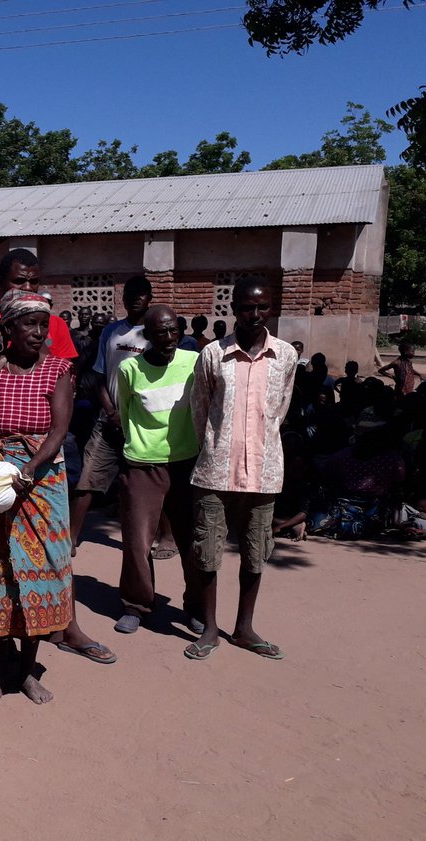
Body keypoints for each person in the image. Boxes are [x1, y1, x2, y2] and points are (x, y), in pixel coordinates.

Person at [0, 293, 106, 703]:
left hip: (41, 481)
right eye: (29, 324)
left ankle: (26, 671)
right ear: (8, 328)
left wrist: (28, 468)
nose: (39, 332)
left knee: (40, 569)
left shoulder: (58, 370)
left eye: (43, 325)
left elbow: (59, 430)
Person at [184, 277, 298, 661]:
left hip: (264, 472)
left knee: (256, 551)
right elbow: (199, 409)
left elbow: (279, 410)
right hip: (215, 471)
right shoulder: (212, 355)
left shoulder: (285, 356)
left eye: (262, 307)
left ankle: (244, 628)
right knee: (207, 552)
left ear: (272, 309)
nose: (255, 314)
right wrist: (216, 446)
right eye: (247, 307)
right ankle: (210, 628)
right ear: (234, 309)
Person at [111, 306, 203, 636]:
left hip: (185, 463)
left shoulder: (193, 363)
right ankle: (137, 604)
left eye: (173, 330)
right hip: (142, 465)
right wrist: (140, 447)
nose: (168, 338)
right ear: (147, 336)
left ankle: (197, 606)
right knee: (137, 541)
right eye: (160, 332)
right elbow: (125, 412)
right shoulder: (129, 368)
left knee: (192, 540)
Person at [68, 275, 153, 547]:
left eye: (141, 294)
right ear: (123, 299)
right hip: (109, 421)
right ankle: (71, 538)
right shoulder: (111, 332)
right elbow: (99, 376)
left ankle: (164, 537)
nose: (135, 299)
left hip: (144, 425)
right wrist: (110, 409)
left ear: (149, 298)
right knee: (88, 478)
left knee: (149, 483)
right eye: (130, 294)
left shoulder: (155, 333)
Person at [0, 248, 78, 361]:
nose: (28, 288)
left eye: (33, 281)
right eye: (19, 281)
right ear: (0, 282)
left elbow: (65, 371)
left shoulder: (57, 326)